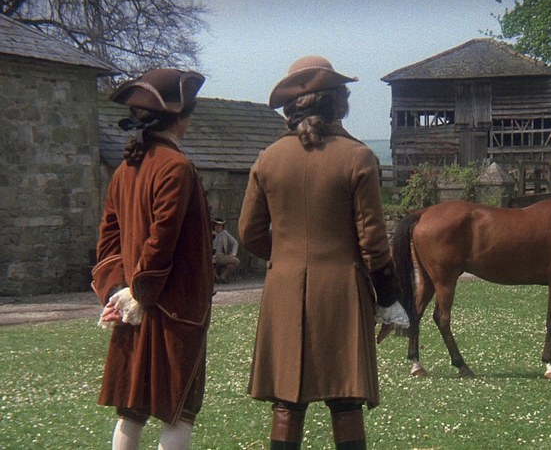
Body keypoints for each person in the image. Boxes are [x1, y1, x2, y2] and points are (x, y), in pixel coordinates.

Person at [238, 56, 409, 450]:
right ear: (339, 103)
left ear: (291, 108)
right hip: (342, 290)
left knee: (287, 400)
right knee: (345, 397)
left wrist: (286, 258)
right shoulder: (358, 157)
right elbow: (373, 242)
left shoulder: (267, 159)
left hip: (283, 290)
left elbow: (248, 233)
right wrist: (388, 298)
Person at [91, 68, 214, 448]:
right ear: (179, 118)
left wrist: (119, 290)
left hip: (135, 305)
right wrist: (138, 293)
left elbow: (107, 243)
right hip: (173, 310)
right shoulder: (176, 167)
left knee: (132, 410)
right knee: (178, 411)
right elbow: (161, 242)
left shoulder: (125, 170)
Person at [212, 218, 240, 282]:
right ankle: (215, 277)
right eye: (217, 225)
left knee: (236, 261)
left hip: (221, 257)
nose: (219, 227)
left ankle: (223, 276)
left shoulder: (225, 233)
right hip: (211, 257)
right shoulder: (210, 233)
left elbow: (235, 243)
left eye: (220, 225)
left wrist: (233, 254)